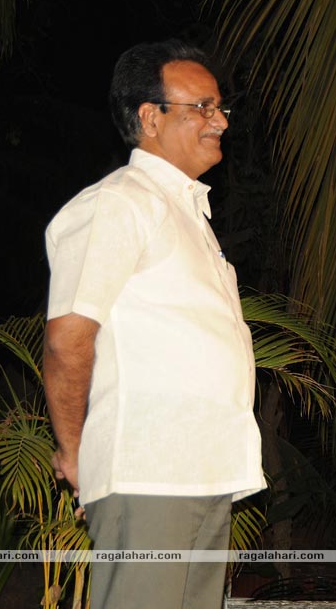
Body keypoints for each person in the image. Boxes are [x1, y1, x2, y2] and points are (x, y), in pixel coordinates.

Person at [43, 39, 266, 609]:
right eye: (202, 107)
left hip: (206, 470)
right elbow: (69, 339)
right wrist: (74, 453)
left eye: (220, 108)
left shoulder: (189, 215)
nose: (219, 121)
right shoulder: (119, 203)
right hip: (149, 475)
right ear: (150, 116)